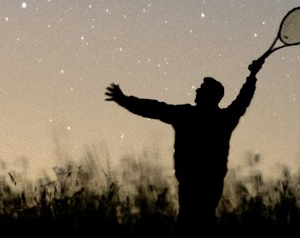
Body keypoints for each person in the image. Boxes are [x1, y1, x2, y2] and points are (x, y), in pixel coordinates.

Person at [105, 56, 267, 226]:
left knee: (189, 226)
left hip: (192, 186)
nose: (197, 90)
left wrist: (124, 100)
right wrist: (252, 76)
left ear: (210, 95)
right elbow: (243, 101)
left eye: (202, 89)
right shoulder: (223, 119)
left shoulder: (187, 115)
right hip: (207, 186)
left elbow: (153, 108)